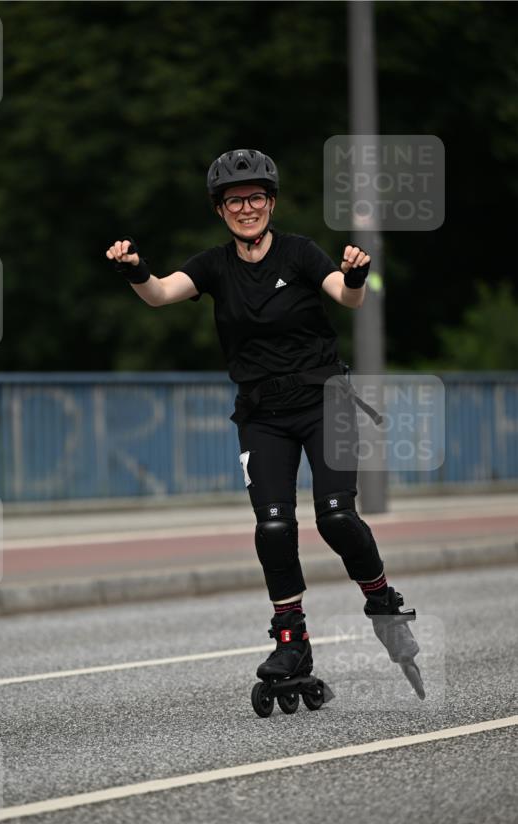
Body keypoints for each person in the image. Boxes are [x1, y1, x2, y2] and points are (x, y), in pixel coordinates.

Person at [106, 148, 423, 702]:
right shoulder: (213, 265)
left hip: (325, 404)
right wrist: (135, 271)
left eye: (255, 197)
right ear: (221, 211)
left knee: (336, 516)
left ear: (270, 203)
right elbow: (159, 295)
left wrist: (357, 277)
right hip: (262, 416)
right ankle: (290, 635)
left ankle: (380, 595)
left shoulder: (300, 252)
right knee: (274, 526)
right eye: (235, 201)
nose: (246, 208)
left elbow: (345, 298)